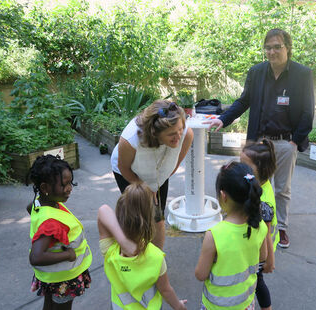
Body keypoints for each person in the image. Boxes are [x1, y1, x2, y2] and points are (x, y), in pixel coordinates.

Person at [205, 28, 315, 248]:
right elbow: (243, 100)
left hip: (285, 142)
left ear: (288, 48)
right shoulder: (256, 72)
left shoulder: (302, 74)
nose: (272, 51)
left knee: (282, 188)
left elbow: (307, 111)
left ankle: (281, 227)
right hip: (257, 142)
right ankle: (253, 222)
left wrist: (295, 141)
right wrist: (223, 119)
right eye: (268, 47)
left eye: (277, 47)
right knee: (253, 184)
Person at [111, 100, 194, 250]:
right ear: (155, 133)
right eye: (171, 134)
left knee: (157, 217)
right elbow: (123, 167)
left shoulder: (186, 134)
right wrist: (145, 188)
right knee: (138, 218)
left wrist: (156, 185)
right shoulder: (130, 140)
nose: (178, 136)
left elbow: (172, 166)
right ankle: (132, 256)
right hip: (130, 172)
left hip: (158, 172)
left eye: (180, 129)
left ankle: (155, 259)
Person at [97, 182, 187, 310]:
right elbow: (166, 290)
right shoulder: (156, 257)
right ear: (149, 222)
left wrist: (123, 241)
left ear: (118, 219)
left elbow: (103, 210)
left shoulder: (111, 252)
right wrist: (179, 306)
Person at [195, 162, 268, 310]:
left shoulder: (214, 235)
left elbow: (201, 274)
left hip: (215, 306)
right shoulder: (259, 226)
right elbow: (262, 257)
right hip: (245, 303)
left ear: (223, 195)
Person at [27, 155, 92, 310]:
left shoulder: (40, 203)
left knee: (49, 305)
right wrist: (68, 255)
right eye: (64, 184)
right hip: (63, 277)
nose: (69, 188)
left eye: (70, 182)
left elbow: (30, 208)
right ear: (45, 188)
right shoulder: (51, 222)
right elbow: (36, 257)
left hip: (52, 276)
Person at [240, 138, 278, 310]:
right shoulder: (258, 183)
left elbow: (266, 233)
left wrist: (269, 260)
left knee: (258, 281)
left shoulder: (263, 202)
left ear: (260, 170)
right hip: (255, 244)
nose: (241, 169)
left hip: (260, 249)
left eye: (245, 166)